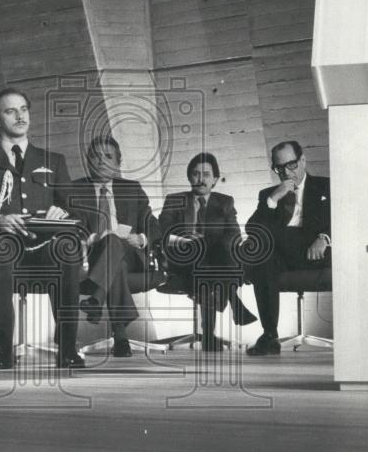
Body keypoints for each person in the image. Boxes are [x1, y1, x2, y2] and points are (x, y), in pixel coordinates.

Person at [0, 87, 83, 369]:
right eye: (10, 111)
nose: (20, 116)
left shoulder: (54, 161)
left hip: (46, 244)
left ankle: (68, 346)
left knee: (68, 250)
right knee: (1, 250)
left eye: (24, 109)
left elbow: (79, 211)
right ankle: (2, 346)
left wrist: (62, 212)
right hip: (4, 241)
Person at [67, 135, 160, 357]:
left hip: (130, 255)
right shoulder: (73, 190)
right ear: (88, 161)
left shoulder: (132, 188)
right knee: (111, 246)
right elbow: (67, 227)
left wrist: (142, 239)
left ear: (118, 163)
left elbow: (154, 226)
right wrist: (89, 239)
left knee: (115, 244)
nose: (101, 161)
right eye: (95, 156)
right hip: (89, 256)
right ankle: (120, 335)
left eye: (108, 156)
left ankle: (97, 300)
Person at [158, 152, 257, 351]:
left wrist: (215, 243)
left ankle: (208, 335)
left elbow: (234, 234)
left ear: (215, 179)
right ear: (189, 177)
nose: (200, 179)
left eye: (206, 174)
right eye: (195, 174)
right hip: (183, 258)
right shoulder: (175, 200)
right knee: (203, 254)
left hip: (215, 260)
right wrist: (188, 240)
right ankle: (235, 303)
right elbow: (164, 233)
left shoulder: (225, 202)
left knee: (215, 258)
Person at [244, 141, 330, 356]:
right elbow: (253, 228)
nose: (285, 172)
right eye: (278, 168)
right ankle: (270, 335)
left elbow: (345, 218)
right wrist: (273, 200)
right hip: (279, 255)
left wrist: (325, 237)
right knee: (261, 254)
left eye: (290, 165)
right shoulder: (269, 195)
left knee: (255, 251)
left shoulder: (326, 186)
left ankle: (237, 273)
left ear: (302, 160)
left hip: (315, 251)